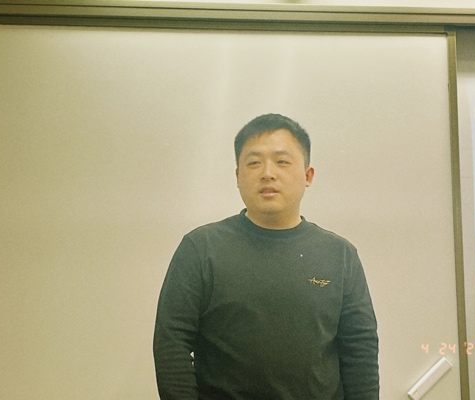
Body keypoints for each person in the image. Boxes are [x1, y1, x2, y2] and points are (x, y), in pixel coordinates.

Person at [153, 113, 379, 399]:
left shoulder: (339, 254)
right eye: (254, 162)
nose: (267, 173)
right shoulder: (201, 248)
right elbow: (171, 343)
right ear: (237, 176)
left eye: (282, 161)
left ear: (307, 175)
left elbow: (360, 351)